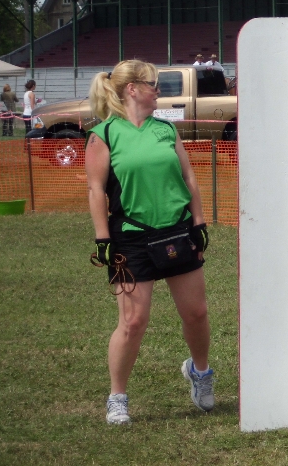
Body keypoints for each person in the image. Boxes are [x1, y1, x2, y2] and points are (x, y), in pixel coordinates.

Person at [85, 59, 213, 425]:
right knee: (133, 321)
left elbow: (188, 178)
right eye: (154, 83)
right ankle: (117, 397)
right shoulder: (104, 134)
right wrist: (102, 239)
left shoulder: (166, 130)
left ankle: (200, 373)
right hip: (131, 239)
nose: (159, 89)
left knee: (196, 313)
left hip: (177, 230)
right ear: (133, 89)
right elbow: (96, 191)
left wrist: (199, 223)